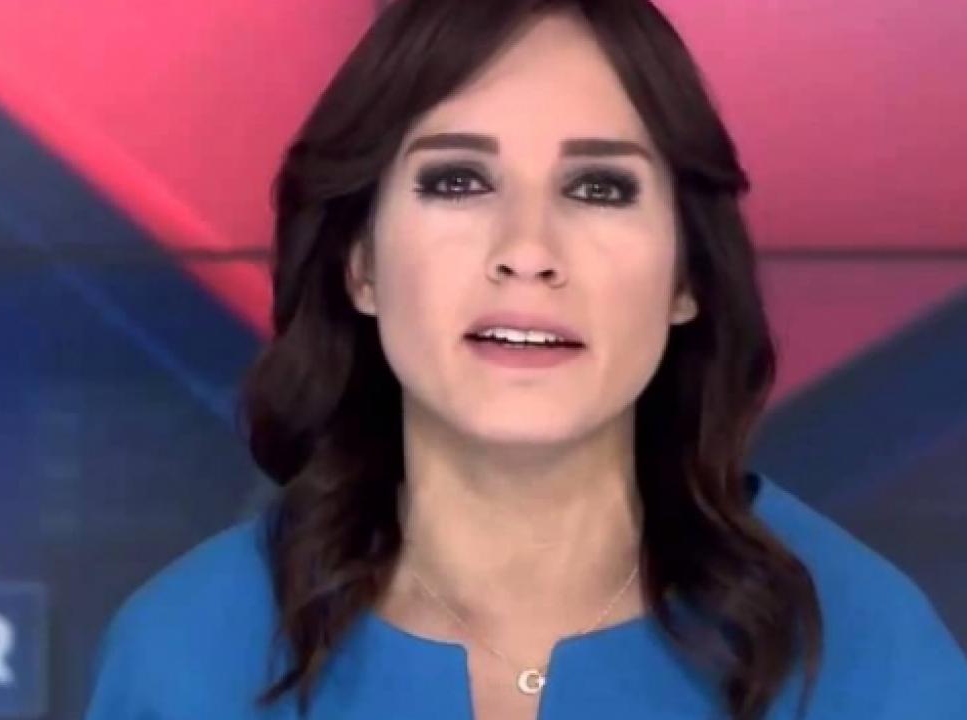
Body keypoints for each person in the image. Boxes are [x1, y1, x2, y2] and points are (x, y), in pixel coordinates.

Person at [82, 0, 967, 718]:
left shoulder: (866, 651)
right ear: (362, 266)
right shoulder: (187, 655)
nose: (528, 251)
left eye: (599, 188)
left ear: (686, 276)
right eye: (458, 181)